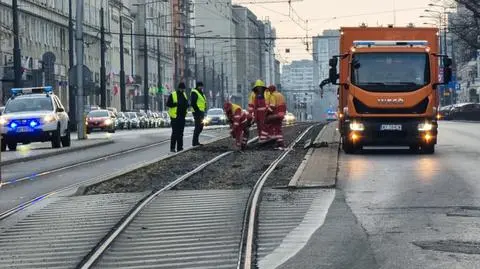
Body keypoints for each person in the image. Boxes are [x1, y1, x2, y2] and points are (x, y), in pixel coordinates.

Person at [166, 82, 189, 153]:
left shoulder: (184, 95)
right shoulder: (173, 94)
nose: (183, 90)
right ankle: (172, 148)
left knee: (181, 133)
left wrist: (187, 105)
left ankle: (180, 147)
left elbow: (186, 103)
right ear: (179, 88)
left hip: (182, 117)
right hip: (175, 117)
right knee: (175, 133)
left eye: (184, 89)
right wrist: (175, 104)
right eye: (182, 89)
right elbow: (168, 104)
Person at [190, 81, 207, 146]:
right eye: (200, 86)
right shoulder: (195, 92)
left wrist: (205, 108)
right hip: (197, 112)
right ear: (197, 86)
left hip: (201, 112)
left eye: (202, 86)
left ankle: (196, 141)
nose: (201, 87)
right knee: (198, 126)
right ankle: (195, 142)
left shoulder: (201, 93)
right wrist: (197, 111)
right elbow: (193, 103)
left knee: (201, 126)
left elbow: (203, 102)